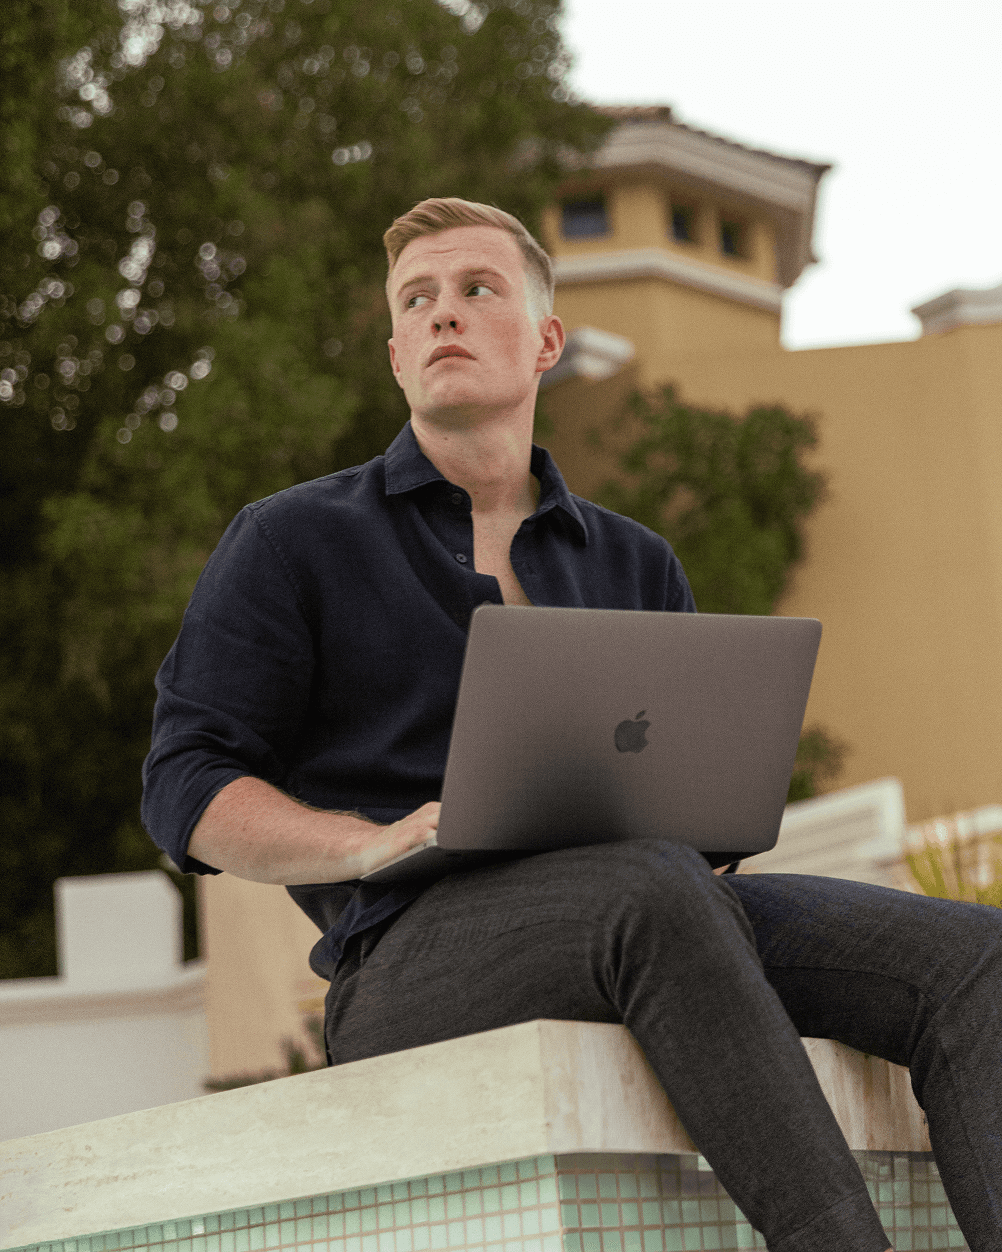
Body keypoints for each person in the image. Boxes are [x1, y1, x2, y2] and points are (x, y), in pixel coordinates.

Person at [142, 198, 1002, 1252]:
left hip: (661, 904)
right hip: (408, 954)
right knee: (652, 885)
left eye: (477, 289)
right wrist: (366, 844)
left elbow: (698, 818)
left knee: (977, 958)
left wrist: (708, 821)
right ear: (398, 357)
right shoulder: (291, 540)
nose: (442, 313)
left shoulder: (636, 562)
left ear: (546, 340)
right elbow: (185, 784)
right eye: (416, 300)